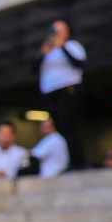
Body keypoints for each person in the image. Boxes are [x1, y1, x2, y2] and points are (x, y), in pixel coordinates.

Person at [38, 19, 86, 168]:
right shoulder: (47, 50)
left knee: (68, 126)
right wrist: (42, 54)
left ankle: (76, 162)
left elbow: (79, 64)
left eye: (60, 30)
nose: (56, 34)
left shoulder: (73, 45)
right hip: (51, 92)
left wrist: (62, 47)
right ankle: (63, 162)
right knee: (56, 129)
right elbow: (33, 69)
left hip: (68, 90)